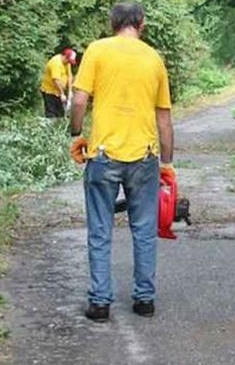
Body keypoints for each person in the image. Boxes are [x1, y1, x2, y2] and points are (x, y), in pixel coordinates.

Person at [69, 1, 174, 323]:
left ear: (112, 23)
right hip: (144, 157)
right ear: (141, 23)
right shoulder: (154, 58)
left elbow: (80, 100)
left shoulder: (98, 50)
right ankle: (144, 300)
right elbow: (164, 119)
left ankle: (100, 302)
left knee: (100, 229)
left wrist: (76, 133)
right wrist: (167, 164)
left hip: (102, 154)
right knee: (143, 230)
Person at [40, 48, 77, 118]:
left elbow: (69, 76)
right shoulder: (55, 63)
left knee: (60, 113)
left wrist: (70, 91)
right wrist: (62, 94)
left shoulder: (67, 63)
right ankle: (49, 127)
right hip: (50, 91)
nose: (69, 63)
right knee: (51, 112)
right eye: (69, 61)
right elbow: (56, 80)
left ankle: (59, 126)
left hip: (58, 91)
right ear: (65, 57)